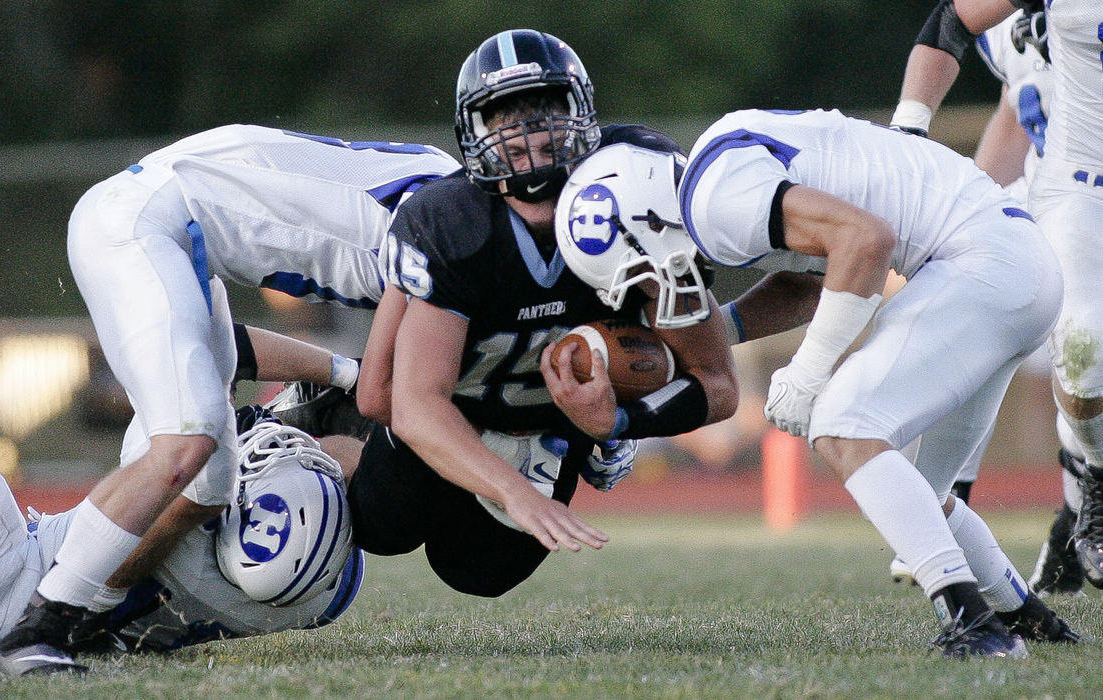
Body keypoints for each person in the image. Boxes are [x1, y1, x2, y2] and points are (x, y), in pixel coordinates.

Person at [552, 110, 1078, 657]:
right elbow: (808, 287)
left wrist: (807, 374)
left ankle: (976, 628)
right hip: (1015, 263)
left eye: (637, 274)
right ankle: (1032, 620)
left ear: (646, 221)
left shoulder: (712, 203)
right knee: (923, 495)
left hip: (983, 267)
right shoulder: (719, 171)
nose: (650, 295)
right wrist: (716, 335)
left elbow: (866, 241)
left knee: (845, 426)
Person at [0, 124, 460, 676]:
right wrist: (348, 373)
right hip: (28, 556)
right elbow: (222, 346)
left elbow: (184, 507)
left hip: (22, 582)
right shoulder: (320, 577)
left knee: (194, 449)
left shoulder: (292, 518)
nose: (291, 426)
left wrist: (68, 612)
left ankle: (39, 631)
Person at [347, 29, 736, 598]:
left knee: (478, 573)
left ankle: (585, 447)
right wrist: (515, 491)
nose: (530, 140)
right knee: (381, 528)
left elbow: (718, 384)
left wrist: (617, 422)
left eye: (544, 117)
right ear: (472, 134)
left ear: (582, 116)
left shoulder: (634, 192)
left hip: (554, 425)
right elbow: (406, 403)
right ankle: (318, 422)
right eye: (508, 124)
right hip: (459, 410)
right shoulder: (454, 224)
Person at [888, 0, 1103, 591]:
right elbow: (1013, 100)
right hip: (1071, 192)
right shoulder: (1011, 27)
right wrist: (959, 200)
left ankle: (1071, 508)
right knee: (1017, 325)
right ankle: (942, 504)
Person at [0, 409, 364, 673]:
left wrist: (341, 372)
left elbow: (219, 344)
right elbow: (318, 524)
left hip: (18, 580)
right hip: (42, 601)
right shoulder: (327, 597)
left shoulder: (189, 504)